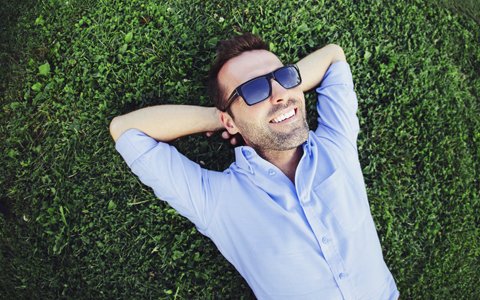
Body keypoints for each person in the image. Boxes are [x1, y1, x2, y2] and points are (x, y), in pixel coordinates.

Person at [109, 33, 400, 300]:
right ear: (229, 121)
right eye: (254, 89)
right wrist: (220, 117)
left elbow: (334, 56)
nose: (280, 94)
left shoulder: (337, 143)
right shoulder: (218, 201)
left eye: (283, 77)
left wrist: (268, 99)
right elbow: (126, 130)